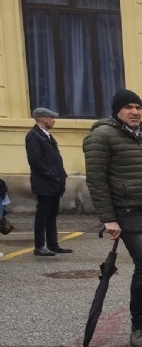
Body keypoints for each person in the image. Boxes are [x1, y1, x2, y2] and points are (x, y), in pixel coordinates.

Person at [83, 90, 142, 347]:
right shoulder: (101, 136)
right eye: (128, 107)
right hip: (128, 212)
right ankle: (137, 327)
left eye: (138, 107)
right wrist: (109, 219)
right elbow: (96, 180)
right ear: (117, 111)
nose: (135, 112)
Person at [25, 107, 70, 257]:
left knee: (52, 214)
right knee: (43, 214)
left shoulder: (47, 135)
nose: (53, 120)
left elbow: (54, 158)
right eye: (51, 117)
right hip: (44, 182)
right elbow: (35, 160)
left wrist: (61, 174)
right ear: (44, 119)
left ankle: (53, 244)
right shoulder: (34, 136)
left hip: (54, 182)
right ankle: (40, 246)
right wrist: (50, 174)